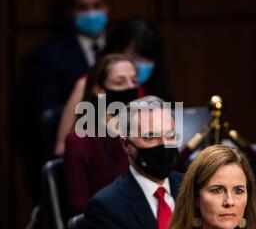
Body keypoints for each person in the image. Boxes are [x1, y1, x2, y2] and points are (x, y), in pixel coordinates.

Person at [83, 96, 183, 229]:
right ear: (126, 144)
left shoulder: (193, 187)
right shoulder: (106, 208)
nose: (164, 145)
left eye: (170, 135)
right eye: (150, 136)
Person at [53, 18, 170, 156]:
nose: (141, 65)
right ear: (116, 52)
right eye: (134, 57)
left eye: (148, 59)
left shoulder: (145, 87)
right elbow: (61, 149)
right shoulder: (86, 85)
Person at [24, 0, 110, 160]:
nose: (91, 14)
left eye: (97, 6)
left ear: (106, 7)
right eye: (83, 8)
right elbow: (46, 115)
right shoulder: (49, 57)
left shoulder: (121, 49)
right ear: (71, 12)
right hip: (77, 149)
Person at [64, 54, 139, 216]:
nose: (130, 88)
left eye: (134, 81)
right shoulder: (79, 141)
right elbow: (80, 208)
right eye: (120, 82)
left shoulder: (142, 134)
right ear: (99, 90)